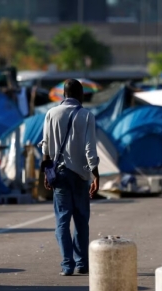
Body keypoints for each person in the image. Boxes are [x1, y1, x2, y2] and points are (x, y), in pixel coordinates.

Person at [41, 79, 100, 276]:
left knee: (62, 221)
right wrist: (95, 174)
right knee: (81, 220)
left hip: (59, 174)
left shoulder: (51, 113)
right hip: (81, 174)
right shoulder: (86, 115)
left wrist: (47, 173)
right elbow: (90, 147)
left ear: (64, 95)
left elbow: (46, 147)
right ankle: (82, 263)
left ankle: (67, 265)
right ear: (80, 94)